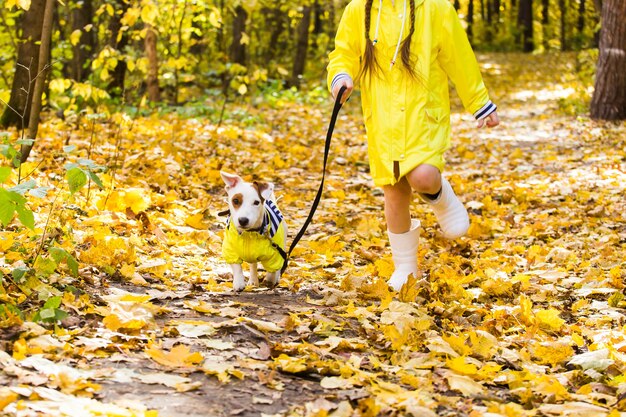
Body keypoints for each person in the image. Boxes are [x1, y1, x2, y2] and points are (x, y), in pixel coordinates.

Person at [327, 0, 500, 291]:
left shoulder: (435, 8)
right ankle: (406, 269)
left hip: (423, 115)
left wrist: (479, 101)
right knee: (394, 193)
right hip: (383, 120)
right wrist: (341, 76)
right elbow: (343, 53)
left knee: (421, 176)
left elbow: (459, 57)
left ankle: (440, 196)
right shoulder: (359, 9)